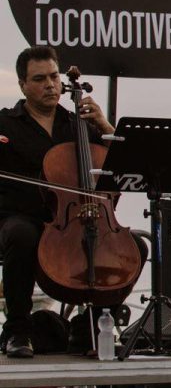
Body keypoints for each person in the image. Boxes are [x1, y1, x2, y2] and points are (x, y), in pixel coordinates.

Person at [0, 46, 114, 358]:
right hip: (23, 218)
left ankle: (89, 329)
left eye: (54, 76)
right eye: (39, 79)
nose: (51, 84)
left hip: (75, 220)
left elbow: (119, 166)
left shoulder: (76, 124)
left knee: (132, 248)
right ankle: (18, 331)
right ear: (23, 85)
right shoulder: (5, 125)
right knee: (20, 234)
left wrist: (104, 126)